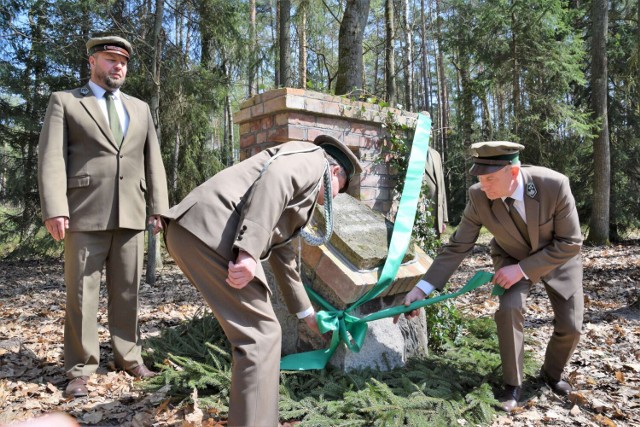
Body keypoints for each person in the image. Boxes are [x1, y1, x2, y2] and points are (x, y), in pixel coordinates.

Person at [162, 135, 362, 427]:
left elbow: (284, 255)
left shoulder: (304, 182)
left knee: (259, 334)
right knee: (261, 336)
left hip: (195, 232)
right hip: (211, 233)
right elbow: (275, 180)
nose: (335, 198)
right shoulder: (312, 158)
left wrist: (308, 316)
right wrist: (248, 251)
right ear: (334, 173)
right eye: (339, 190)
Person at [396, 141, 583, 412]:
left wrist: (522, 269)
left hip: (559, 258)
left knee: (571, 327)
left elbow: (571, 242)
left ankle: (551, 375)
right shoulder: (479, 196)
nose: (484, 185)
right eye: (480, 178)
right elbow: (458, 246)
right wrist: (422, 289)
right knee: (509, 309)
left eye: (491, 178)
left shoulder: (553, 185)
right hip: (510, 257)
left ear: (514, 172)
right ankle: (512, 385)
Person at [37, 35, 169, 398]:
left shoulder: (139, 108)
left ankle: (128, 356)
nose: (118, 67)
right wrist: (55, 207)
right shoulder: (65, 102)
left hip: (130, 213)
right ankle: (80, 368)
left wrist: (159, 207)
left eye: (122, 61)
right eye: (110, 59)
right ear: (93, 62)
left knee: (128, 292)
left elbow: (152, 160)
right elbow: (51, 157)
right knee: (82, 294)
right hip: (83, 212)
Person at [424, 147, 448, 236]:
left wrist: (444, 218)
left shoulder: (435, 154)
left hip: (436, 216)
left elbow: (441, 186)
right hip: (420, 213)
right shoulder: (412, 151)